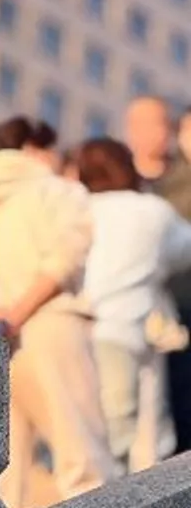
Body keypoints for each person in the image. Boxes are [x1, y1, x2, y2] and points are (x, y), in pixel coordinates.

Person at [0, 116, 115, 507]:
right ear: (32, 149)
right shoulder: (57, 190)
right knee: (83, 459)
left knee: (5, 475)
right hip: (50, 324)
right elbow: (65, 259)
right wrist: (19, 314)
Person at [78, 138, 191, 474]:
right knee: (134, 429)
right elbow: (185, 250)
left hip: (80, 326)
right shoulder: (151, 210)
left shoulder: (77, 206)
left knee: (94, 427)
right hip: (130, 327)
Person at [125, 96, 191, 453]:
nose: (157, 133)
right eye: (147, 124)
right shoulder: (117, 176)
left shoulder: (183, 177)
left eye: (164, 124)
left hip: (182, 306)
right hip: (129, 311)